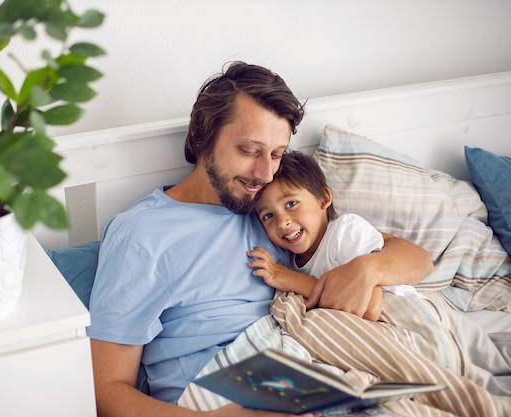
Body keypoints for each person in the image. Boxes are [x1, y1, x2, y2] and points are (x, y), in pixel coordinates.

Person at [87, 62, 433, 417]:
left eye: (277, 154)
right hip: (221, 396)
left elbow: (417, 259)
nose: (265, 173)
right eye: (250, 151)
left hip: (313, 369)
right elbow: (106, 390)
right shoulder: (143, 235)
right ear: (202, 135)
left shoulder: (276, 208)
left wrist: (368, 268)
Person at [248, 151, 424, 322]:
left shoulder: (345, 233)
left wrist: (287, 279)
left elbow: (370, 308)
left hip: (409, 315)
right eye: (268, 216)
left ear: (324, 199)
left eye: (291, 203)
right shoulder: (291, 261)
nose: (281, 222)